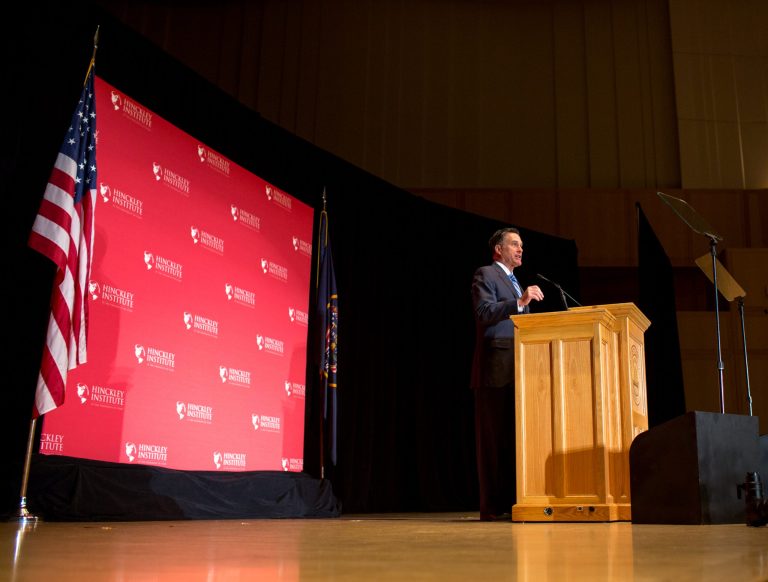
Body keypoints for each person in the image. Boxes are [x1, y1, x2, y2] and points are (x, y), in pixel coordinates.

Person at [470, 227, 544, 521]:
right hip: (496, 368)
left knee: (513, 438)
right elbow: (483, 313)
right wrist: (520, 302)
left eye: (521, 245)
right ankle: (491, 507)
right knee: (493, 440)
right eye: (514, 244)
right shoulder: (487, 274)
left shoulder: (514, 281)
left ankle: (512, 501)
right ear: (498, 249)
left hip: (519, 366)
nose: (520, 249)